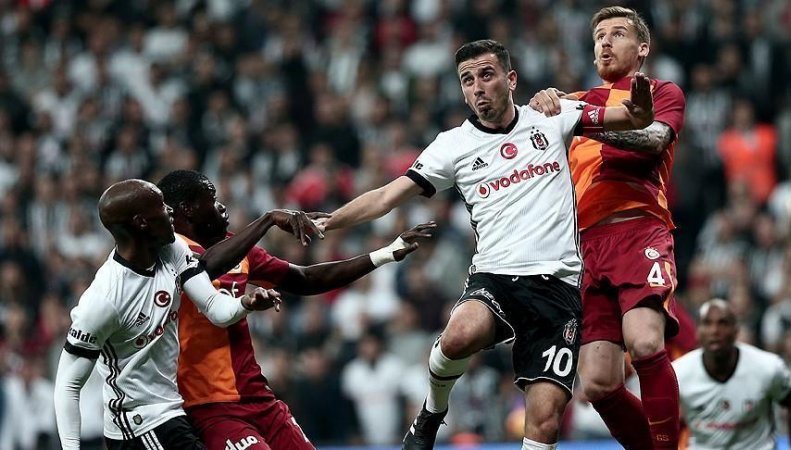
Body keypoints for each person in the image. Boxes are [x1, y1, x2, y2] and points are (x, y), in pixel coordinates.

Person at [315, 38, 655, 450]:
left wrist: (640, 103)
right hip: (496, 277)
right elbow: (387, 196)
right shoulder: (452, 146)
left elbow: (634, 118)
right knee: (459, 335)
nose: (477, 87)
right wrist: (330, 221)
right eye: (467, 80)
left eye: (486, 75)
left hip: (558, 290)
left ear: (510, 79)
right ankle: (432, 412)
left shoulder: (552, 116)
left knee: (544, 424)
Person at [155, 169, 435, 450]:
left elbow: (306, 278)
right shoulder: (166, 253)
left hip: (258, 397)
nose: (221, 206)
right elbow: (201, 268)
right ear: (187, 209)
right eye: (211, 198)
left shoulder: (237, 250)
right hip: (210, 406)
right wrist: (267, 219)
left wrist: (385, 254)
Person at [53, 179, 311, 450]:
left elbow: (214, 307)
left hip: (171, 412)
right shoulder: (105, 300)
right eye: (161, 207)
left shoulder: (172, 249)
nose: (170, 211)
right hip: (137, 424)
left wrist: (246, 303)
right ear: (142, 223)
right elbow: (68, 384)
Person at [530, 7, 686, 449]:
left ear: (642, 48)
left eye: (618, 34)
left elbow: (654, 140)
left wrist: (582, 119)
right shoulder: (574, 102)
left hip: (637, 228)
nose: (605, 42)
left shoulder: (659, 91)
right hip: (583, 246)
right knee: (597, 382)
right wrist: (542, 105)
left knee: (645, 343)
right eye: (599, 35)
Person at [673, 299, 791, 450]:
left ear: (736, 330)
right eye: (707, 323)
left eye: (723, 323)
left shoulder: (767, 368)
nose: (714, 331)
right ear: (698, 332)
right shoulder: (678, 373)